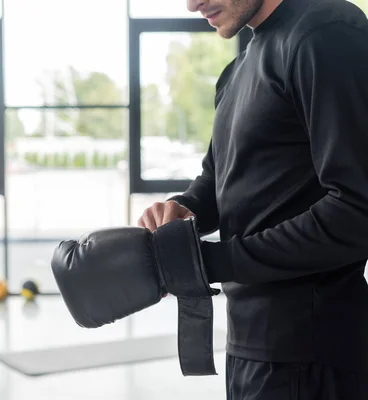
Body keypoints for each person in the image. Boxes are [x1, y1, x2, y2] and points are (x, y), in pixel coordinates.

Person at [137, 0, 368, 398]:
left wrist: (207, 263)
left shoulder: (324, 34)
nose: (192, 4)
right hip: (249, 349)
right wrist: (182, 211)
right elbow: (218, 178)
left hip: (310, 353)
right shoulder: (237, 70)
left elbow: (357, 210)